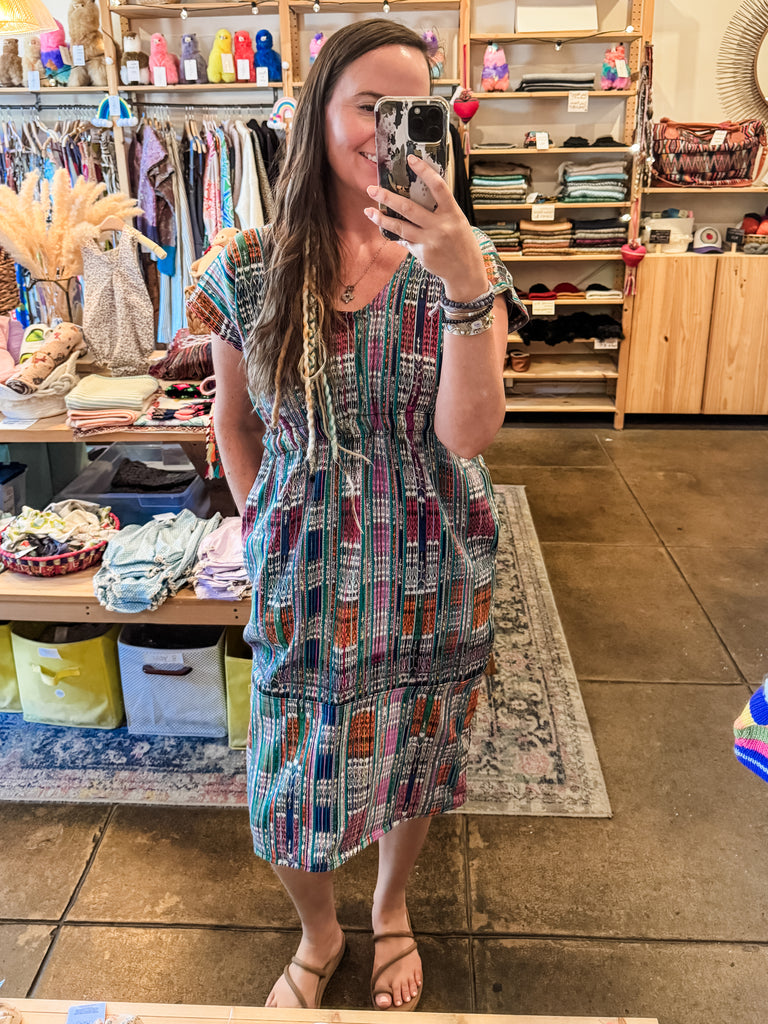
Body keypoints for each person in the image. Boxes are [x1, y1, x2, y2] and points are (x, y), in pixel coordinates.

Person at [187, 18, 527, 1013]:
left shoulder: (468, 260)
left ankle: (389, 907)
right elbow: (232, 419)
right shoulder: (248, 263)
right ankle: (320, 931)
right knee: (286, 777)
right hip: (303, 568)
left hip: (432, 562)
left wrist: (461, 279)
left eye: (410, 109)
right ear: (318, 115)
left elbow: (468, 434)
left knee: (415, 750)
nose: (387, 131)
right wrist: (261, 524)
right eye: (368, 107)